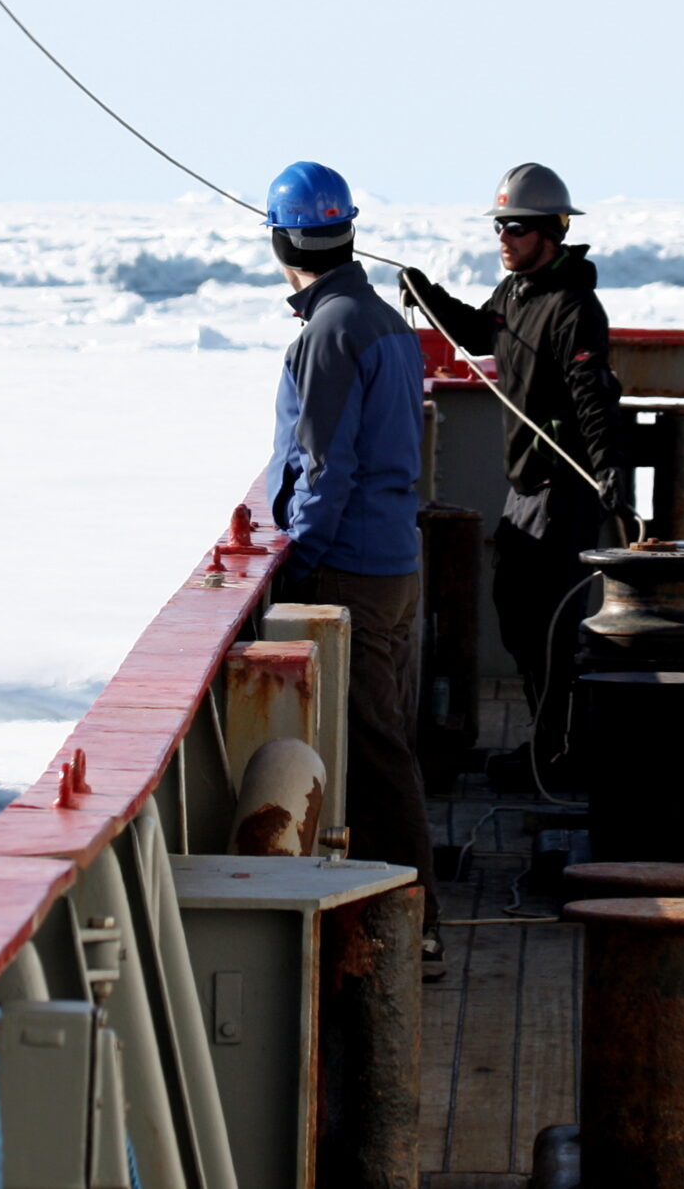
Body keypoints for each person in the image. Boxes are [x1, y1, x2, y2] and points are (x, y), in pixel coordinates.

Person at [260, 161, 441, 963]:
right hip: (391, 559)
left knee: (374, 748)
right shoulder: (382, 321)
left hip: (354, 573)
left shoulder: (332, 329)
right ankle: (397, 913)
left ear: (280, 240)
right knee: (380, 739)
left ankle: (415, 924)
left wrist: (301, 559)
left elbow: (326, 468)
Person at [397, 163, 625, 779]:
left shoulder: (573, 306)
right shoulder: (517, 294)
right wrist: (427, 294)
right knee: (520, 617)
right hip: (526, 484)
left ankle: (561, 756)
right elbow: (478, 331)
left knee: (547, 624)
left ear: (552, 232)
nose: (504, 238)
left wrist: (607, 472)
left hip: (561, 488)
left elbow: (592, 393)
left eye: (516, 228)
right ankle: (550, 747)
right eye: (500, 227)